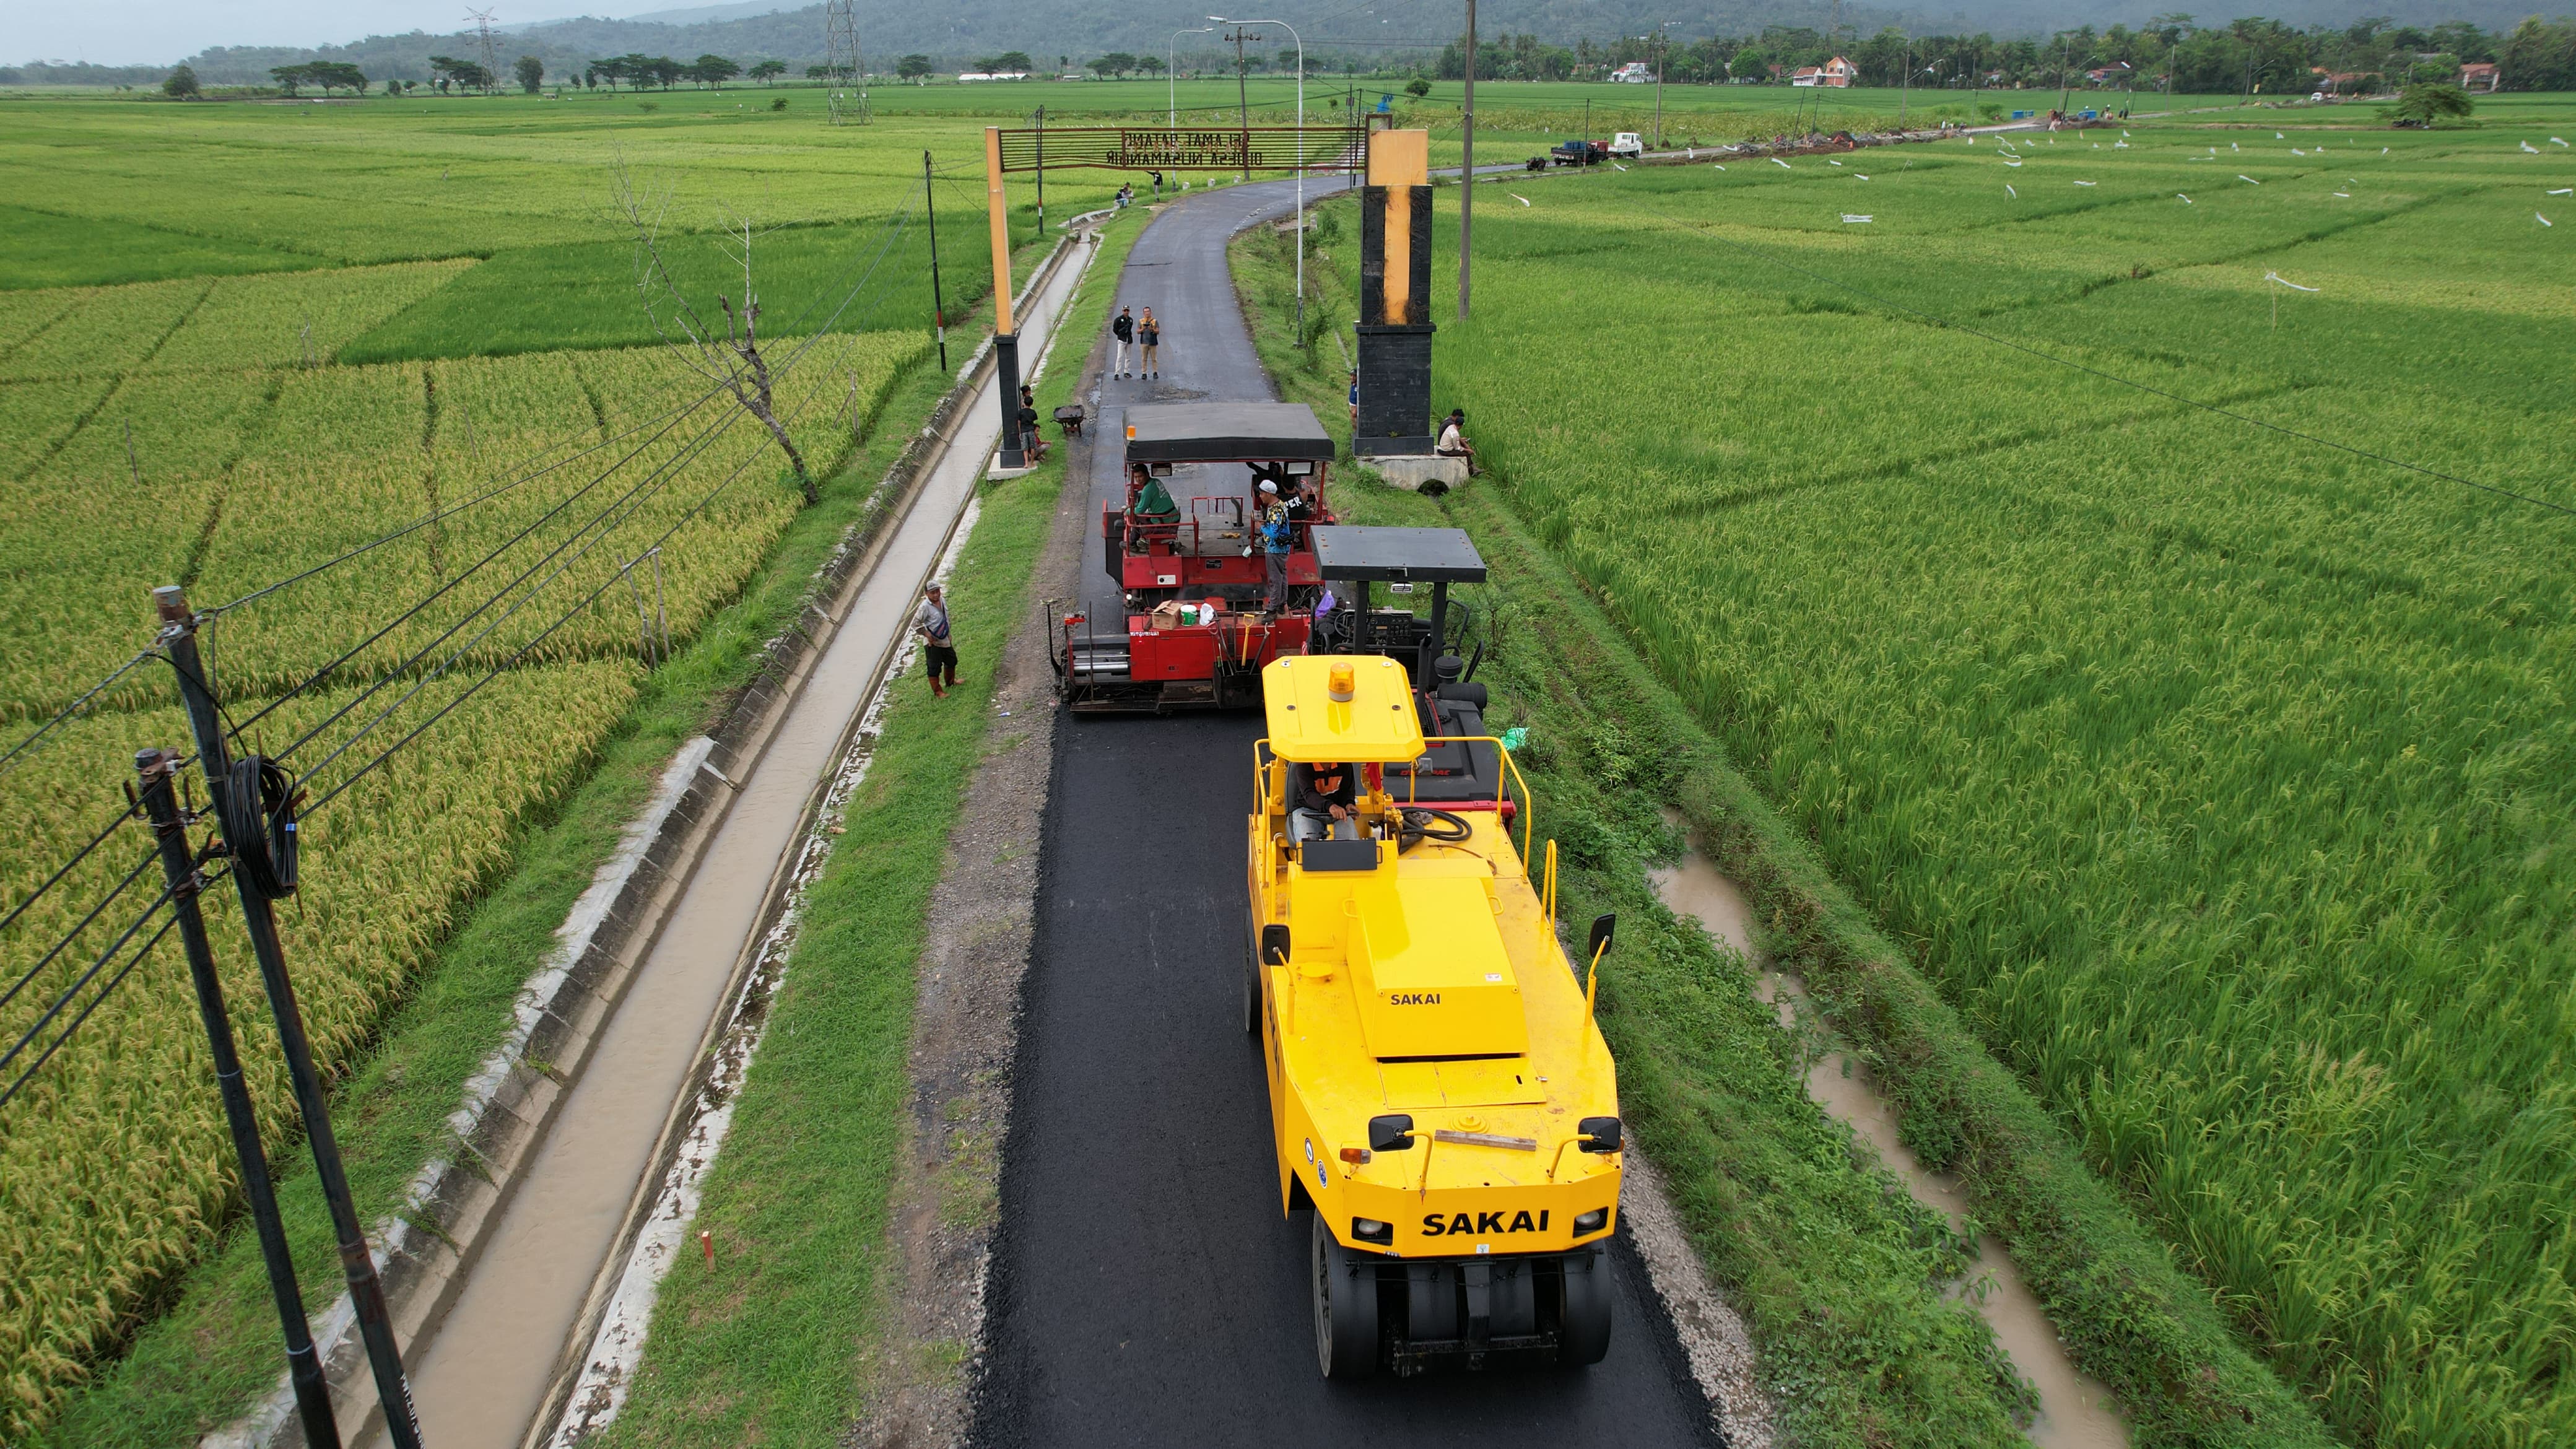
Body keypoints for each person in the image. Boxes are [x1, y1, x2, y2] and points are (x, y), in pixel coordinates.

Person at [1290, 759, 1357, 842]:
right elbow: (1309, 794)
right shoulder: (1303, 766)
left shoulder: (1345, 765)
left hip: (1338, 811)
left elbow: (1348, 791)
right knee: (1308, 844)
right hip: (1307, 810)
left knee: (1349, 842)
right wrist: (1330, 806)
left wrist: (1349, 804)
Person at [913, 582, 959, 697]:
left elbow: (946, 618)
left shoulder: (942, 600)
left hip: (944, 638)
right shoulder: (924, 607)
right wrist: (927, 635)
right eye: (933, 593)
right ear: (927, 594)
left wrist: (948, 634)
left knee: (952, 660)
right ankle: (938, 692)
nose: (936, 595)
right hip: (932, 643)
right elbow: (915, 624)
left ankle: (951, 682)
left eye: (937, 591)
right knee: (934, 667)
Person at [1257, 477, 1292, 612]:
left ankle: (1273, 609)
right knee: (1282, 577)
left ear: (1269, 494)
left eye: (1262, 493)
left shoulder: (1275, 511)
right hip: (1283, 549)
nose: (1260, 496)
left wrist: (1261, 528)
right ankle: (1282, 603)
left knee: (1275, 580)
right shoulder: (1281, 504)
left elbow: (1274, 534)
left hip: (1275, 550)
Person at [1435, 408, 1477, 474]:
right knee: (1466, 454)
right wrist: (1468, 450)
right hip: (1446, 450)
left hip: (1442, 445)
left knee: (1462, 445)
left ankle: (1473, 468)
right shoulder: (1453, 429)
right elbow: (1457, 447)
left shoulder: (1451, 425)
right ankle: (1473, 470)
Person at [1016, 385, 1050, 463]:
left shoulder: (1024, 403)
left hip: (1026, 427)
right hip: (1027, 426)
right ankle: (1033, 458)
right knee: (1031, 445)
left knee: (1029, 444)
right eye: (1028, 393)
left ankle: (1031, 458)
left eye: (1030, 393)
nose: (1029, 394)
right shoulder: (1024, 405)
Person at [1110, 306, 1135, 379]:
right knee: (1120, 357)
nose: (1126, 312)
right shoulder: (1118, 320)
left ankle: (1126, 371)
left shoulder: (1130, 320)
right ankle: (1117, 373)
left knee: (1128, 357)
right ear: (1123, 311)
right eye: (1125, 310)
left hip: (1129, 339)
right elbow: (1115, 330)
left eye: (1127, 310)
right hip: (1122, 340)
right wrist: (1120, 335)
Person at [1138, 307, 1161, 379]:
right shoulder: (1141, 321)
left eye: (1148, 311)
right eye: (1145, 312)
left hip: (1153, 342)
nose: (1147, 313)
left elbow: (1158, 331)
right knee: (1144, 358)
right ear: (1144, 313)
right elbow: (1138, 331)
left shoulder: (1155, 321)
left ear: (1150, 312)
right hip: (1144, 342)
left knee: (1154, 358)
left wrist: (1152, 329)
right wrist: (1143, 329)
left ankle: (1155, 372)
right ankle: (1144, 373)